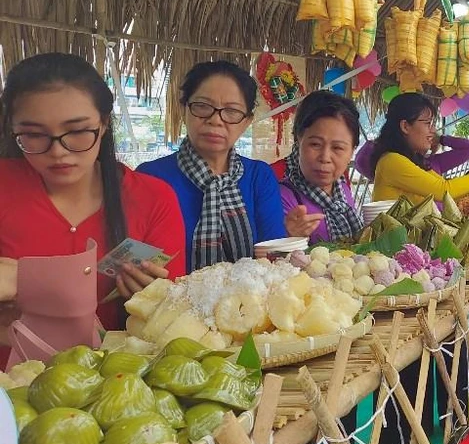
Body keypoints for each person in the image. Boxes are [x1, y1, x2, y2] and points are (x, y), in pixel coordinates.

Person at [0, 54, 185, 368]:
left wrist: (154, 300)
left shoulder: (153, 198)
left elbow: (175, 317)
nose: (58, 151)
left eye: (77, 131)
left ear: (103, 124)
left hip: (116, 382)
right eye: (34, 135)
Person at [139, 61, 285, 271]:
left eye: (231, 111)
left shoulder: (259, 177)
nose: (215, 120)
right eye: (203, 106)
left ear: (246, 121)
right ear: (183, 109)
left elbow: (273, 254)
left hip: (252, 292)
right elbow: (142, 260)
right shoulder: (149, 178)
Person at [370, 93, 469, 203]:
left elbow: (450, 192)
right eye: (428, 123)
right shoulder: (391, 161)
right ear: (405, 126)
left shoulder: (415, 160)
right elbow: (444, 190)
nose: (433, 130)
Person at [279, 91, 362, 245]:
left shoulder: (343, 189)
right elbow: (268, 253)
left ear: (352, 150)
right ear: (299, 140)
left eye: (337, 148)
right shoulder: (281, 196)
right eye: (315, 144)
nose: (325, 157)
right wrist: (287, 237)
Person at [354, 125, 469, 181]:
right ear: (406, 129)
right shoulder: (394, 164)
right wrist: (386, 139)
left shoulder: (433, 162)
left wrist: (441, 139)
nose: (432, 130)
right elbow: (360, 161)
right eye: (427, 124)